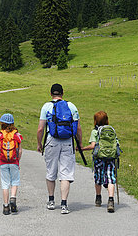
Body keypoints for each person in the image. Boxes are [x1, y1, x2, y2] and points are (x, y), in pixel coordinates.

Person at [37, 83, 82, 214]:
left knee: (51, 171)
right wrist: (79, 143)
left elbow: (41, 129)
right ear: (62, 93)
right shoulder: (71, 106)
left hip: (52, 141)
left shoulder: (47, 106)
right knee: (66, 174)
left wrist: (39, 144)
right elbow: (78, 128)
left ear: (51, 94)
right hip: (68, 142)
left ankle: (51, 201)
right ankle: (64, 204)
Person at [81, 110, 119, 213]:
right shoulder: (111, 130)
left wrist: (82, 148)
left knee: (98, 177)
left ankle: (98, 198)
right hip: (111, 157)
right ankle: (111, 200)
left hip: (99, 158)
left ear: (95, 121)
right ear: (107, 120)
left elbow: (93, 146)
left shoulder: (95, 131)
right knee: (111, 177)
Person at [0, 113, 23, 215]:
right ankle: (13, 198)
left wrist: (1, 159)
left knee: (5, 183)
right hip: (14, 162)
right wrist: (17, 160)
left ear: (2, 123)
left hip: (3, 162)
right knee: (15, 181)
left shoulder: (0, 135)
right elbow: (20, 150)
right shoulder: (16, 135)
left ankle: (6, 207)